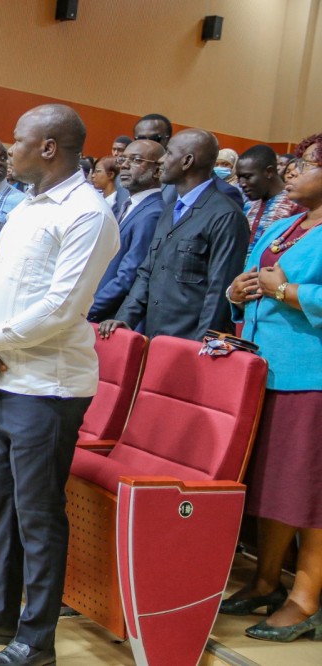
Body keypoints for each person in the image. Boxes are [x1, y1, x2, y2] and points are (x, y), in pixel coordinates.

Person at [0, 104, 119, 666]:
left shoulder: (88, 213)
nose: (7, 148)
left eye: (17, 139)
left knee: (38, 514)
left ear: (49, 147)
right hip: (2, 375)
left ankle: (36, 641)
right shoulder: (27, 208)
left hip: (48, 386)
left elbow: (62, 308)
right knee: (4, 507)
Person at [220, 133, 322, 643]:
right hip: (263, 370)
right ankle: (265, 580)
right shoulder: (284, 225)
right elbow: (249, 278)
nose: (292, 171)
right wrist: (236, 291)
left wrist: (283, 289)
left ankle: (305, 599)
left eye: (305, 164)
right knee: (274, 485)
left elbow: (280, 286)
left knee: (310, 493)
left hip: (312, 378)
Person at [100, 129, 249, 341]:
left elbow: (219, 291)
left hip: (190, 341)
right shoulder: (171, 210)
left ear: (187, 161)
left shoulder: (225, 215)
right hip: (155, 336)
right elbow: (147, 271)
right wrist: (126, 318)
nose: (161, 160)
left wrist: (201, 345)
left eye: (168, 154)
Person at [88, 140, 166, 322]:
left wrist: (88, 309)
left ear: (157, 170)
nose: (124, 165)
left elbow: (128, 275)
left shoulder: (153, 213)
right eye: (123, 159)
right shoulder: (127, 206)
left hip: (110, 316)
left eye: (136, 160)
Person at [236, 145, 305, 257]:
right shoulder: (249, 204)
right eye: (239, 178)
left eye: (247, 177)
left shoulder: (295, 203)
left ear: (269, 171)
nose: (241, 183)